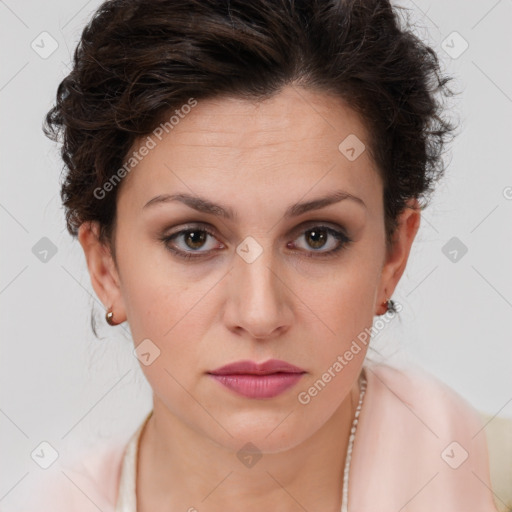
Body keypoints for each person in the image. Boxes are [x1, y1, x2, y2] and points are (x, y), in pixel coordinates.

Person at [21, 0, 500, 510]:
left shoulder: (489, 474)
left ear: (394, 255)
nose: (259, 314)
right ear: (105, 267)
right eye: (194, 238)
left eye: (318, 237)